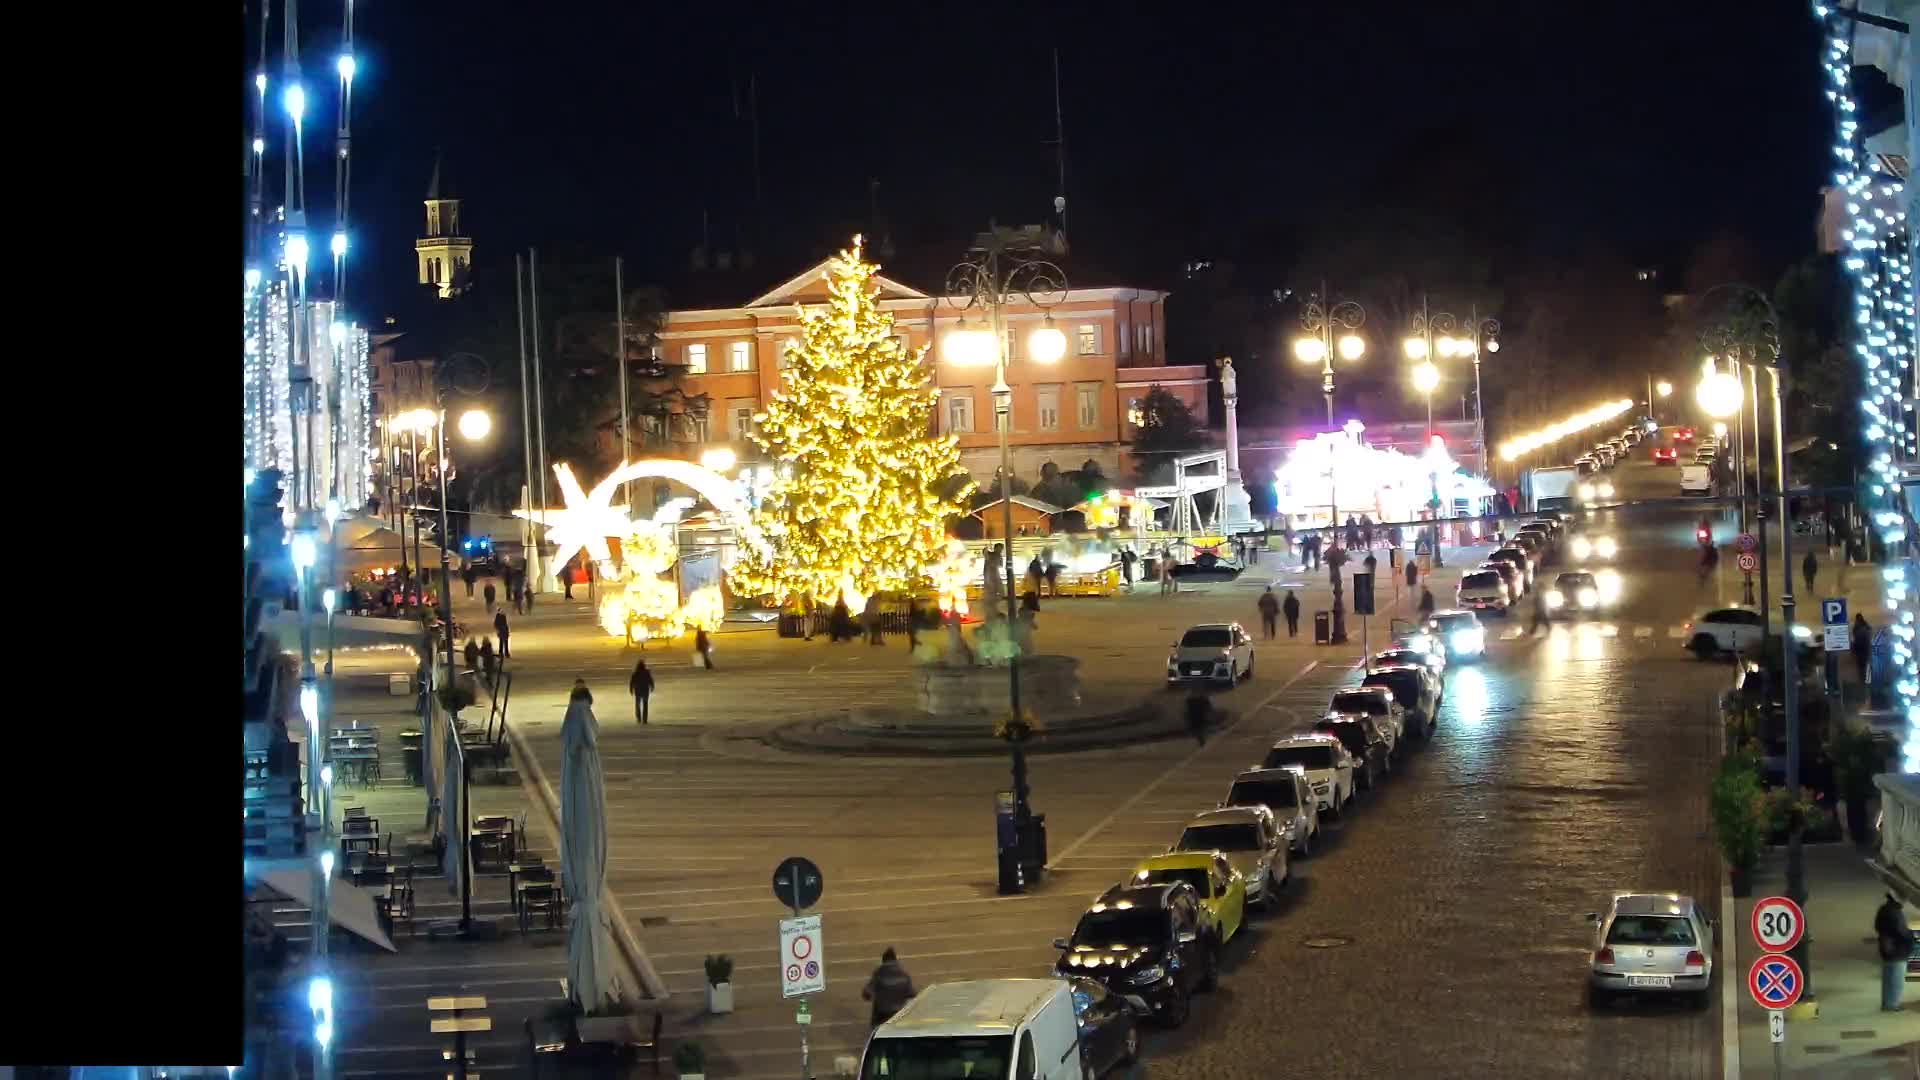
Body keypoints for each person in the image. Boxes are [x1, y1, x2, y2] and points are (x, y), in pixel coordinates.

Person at [1876, 891, 1915, 1010]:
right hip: (1897, 949)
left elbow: (1877, 925)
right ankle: (1892, 1005)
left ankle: (1887, 1003)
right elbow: (1901, 931)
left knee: (1888, 978)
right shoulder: (1895, 912)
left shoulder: (1884, 909)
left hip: (1886, 946)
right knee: (1896, 979)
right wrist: (1911, 937)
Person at [862, 948, 917, 1027]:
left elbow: (867, 992)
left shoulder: (879, 973)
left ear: (883, 961)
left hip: (882, 1012)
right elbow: (912, 994)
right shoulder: (904, 975)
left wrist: (869, 997)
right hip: (898, 1011)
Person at [629, 658, 654, 724]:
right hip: (645, 690)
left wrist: (631, 689)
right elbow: (650, 680)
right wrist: (652, 686)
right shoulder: (646, 672)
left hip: (638, 691)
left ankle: (639, 718)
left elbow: (632, 682)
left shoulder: (635, 673)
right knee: (645, 705)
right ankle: (644, 719)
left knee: (638, 705)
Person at [1853, 613, 1874, 688]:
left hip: (1861, 650)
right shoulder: (1866, 627)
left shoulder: (1857, 628)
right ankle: (1867, 682)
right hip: (1865, 649)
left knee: (1862, 667)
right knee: (1865, 666)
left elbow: (1856, 639)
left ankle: (1863, 682)